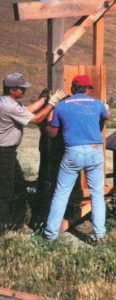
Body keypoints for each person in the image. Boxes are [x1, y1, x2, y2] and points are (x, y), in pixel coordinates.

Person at [44, 74, 111, 240]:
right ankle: (100, 234)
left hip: (72, 151)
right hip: (95, 150)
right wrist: (106, 107)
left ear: (73, 88)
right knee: (97, 194)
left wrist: (48, 117)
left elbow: (52, 133)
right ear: (87, 89)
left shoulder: (61, 106)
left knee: (61, 193)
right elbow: (107, 116)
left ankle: (50, 234)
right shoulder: (97, 104)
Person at [0, 72, 64, 233]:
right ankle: (4, 228)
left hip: (7, 152)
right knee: (6, 191)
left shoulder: (8, 102)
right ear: (12, 89)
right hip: (4, 153)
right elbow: (35, 119)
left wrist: (43, 99)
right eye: (21, 88)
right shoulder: (8, 105)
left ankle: (15, 225)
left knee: (18, 189)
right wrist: (52, 103)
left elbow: (27, 110)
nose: (24, 91)